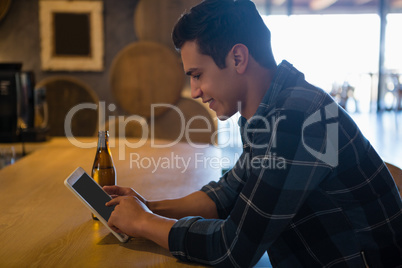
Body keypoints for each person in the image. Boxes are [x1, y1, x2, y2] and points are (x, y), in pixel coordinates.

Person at [105, 0, 402, 266]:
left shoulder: (296, 119)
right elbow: (227, 195)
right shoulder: (271, 111)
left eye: (197, 75)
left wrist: (144, 223)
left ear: (237, 58)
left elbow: (234, 248)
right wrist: (147, 207)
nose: (194, 91)